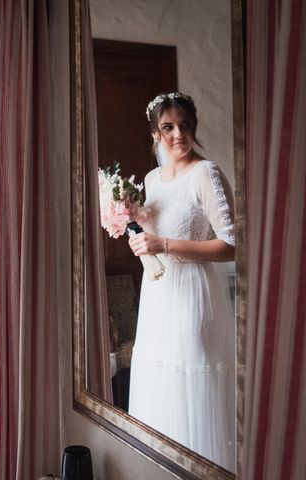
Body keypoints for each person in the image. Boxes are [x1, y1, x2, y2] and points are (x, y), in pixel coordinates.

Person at [127, 92, 236, 471]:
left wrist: (165, 244)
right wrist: (141, 242)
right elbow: (150, 235)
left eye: (185, 125)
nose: (179, 134)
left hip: (194, 294)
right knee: (161, 380)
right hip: (159, 298)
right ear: (155, 134)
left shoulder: (206, 173)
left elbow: (231, 245)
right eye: (168, 127)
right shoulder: (151, 179)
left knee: (193, 380)